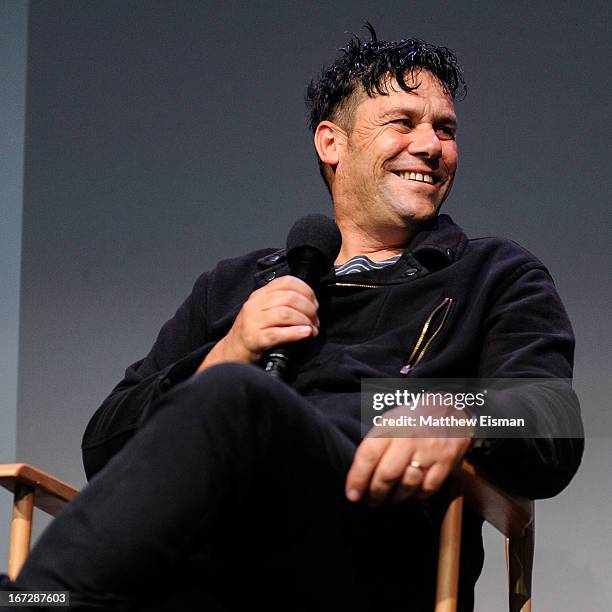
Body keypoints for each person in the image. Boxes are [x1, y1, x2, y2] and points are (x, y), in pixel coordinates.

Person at [1, 25, 583, 611]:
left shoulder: (492, 272)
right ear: (332, 143)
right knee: (226, 402)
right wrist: (226, 351)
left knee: (238, 400)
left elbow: (552, 419)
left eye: (445, 129)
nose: (432, 145)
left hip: (370, 540)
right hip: (211, 550)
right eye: (403, 123)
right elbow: (104, 447)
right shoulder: (236, 285)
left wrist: (454, 409)